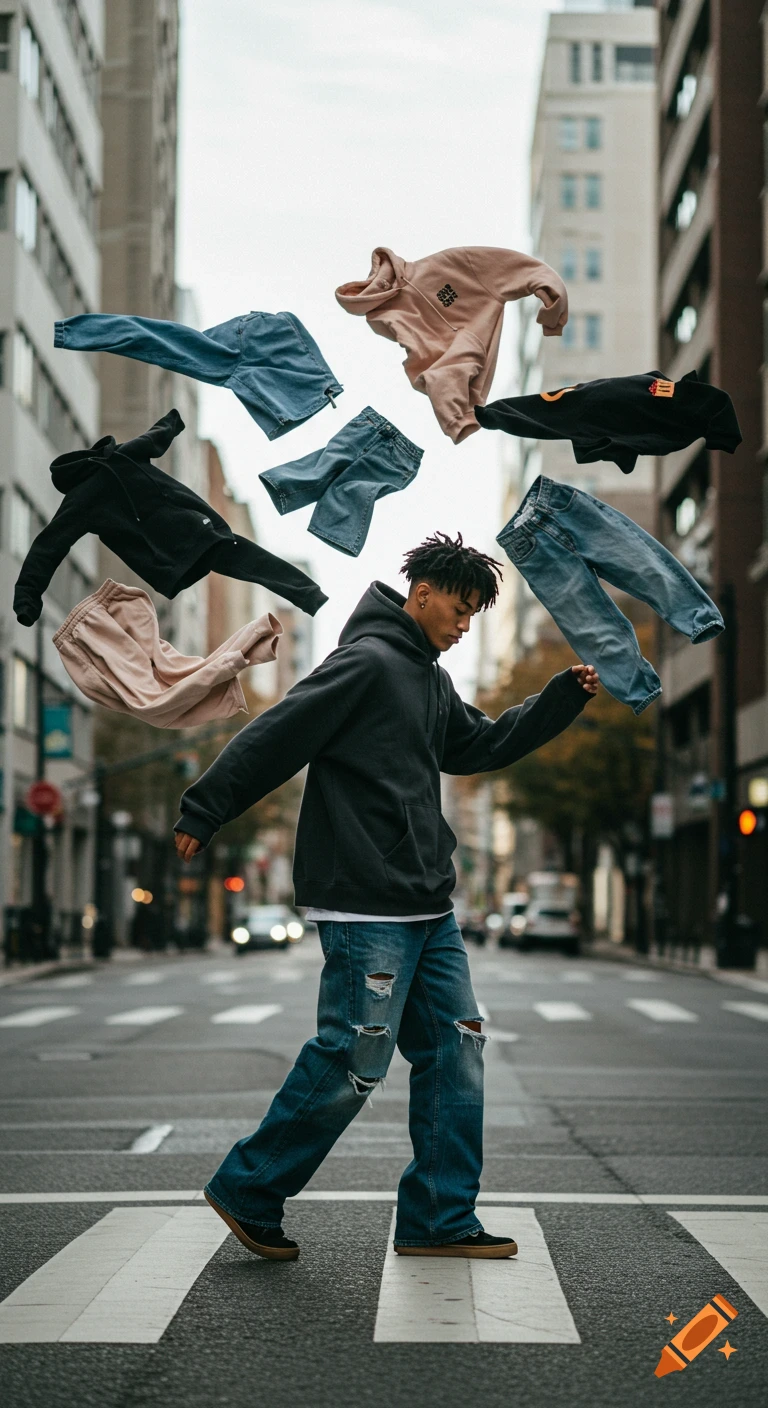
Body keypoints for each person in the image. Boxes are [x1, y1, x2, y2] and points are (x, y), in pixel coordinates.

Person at [174, 533, 599, 1261]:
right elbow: (279, 733)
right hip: (364, 899)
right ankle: (249, 1187)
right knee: (355, 1057)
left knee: (457, 1050)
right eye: (458, 609)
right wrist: (205, 808)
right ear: (421, 594)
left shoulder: (430, 681)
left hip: (428, 905)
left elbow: (480, 746)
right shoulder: (366, 663)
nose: (464, 625)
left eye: (474, 615)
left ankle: (438, 1216)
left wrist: (560, 698)